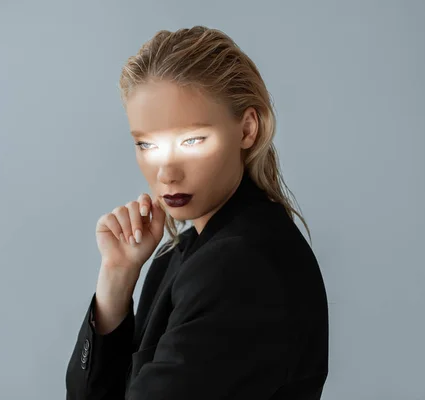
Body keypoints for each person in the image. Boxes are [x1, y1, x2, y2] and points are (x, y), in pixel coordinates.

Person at [65, 25, 329, 399]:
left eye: (192, 140)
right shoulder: (184, 252)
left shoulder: (240, 264)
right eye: (147, 144)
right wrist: (117, 278)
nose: (166, 173)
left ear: (247, 129)